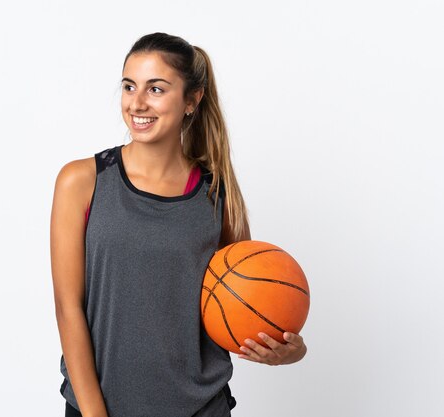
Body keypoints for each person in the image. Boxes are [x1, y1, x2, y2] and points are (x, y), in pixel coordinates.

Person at [50, 32, 307, 417]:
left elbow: (247, 304)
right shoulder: (82, 181)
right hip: (97, 409)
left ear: (191, 100)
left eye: (156, 89)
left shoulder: (217, 195)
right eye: (129, 86)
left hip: (200, 409)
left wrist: (288, 349)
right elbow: (68, 307)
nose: (137, 102)